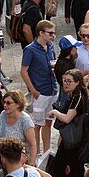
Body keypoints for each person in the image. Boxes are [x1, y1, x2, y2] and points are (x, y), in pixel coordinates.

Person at [20, 19, 59, 158]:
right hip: (40, 92)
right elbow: (23, 71)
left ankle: (47, 151)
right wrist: (33, 91)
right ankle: (35, 153)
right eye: (50, 33)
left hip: (52, 89)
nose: (53, 36)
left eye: (53, 33)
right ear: (41, 33)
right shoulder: (30, 49)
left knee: (48, 123)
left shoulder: (51, 46)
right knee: (37, 125)